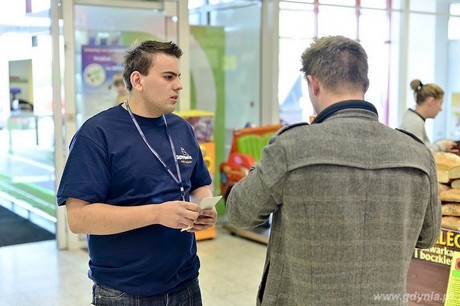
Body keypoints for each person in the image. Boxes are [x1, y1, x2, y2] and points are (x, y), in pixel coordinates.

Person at [225, 36, 441, 305]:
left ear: (313, 84)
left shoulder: (292, 147)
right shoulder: (418, 154)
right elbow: (428, 237)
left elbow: (239, 212)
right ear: (366, 84)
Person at [57, 40, 217, 305]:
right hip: (124, 291)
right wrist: (157, 214)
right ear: (138, 80)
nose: (178, 85)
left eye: (178, 76)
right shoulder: (97, 134)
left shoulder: (182, 129)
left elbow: (200, 184)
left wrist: (203, 207)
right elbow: (79, 218)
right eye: (168, 77)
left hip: (186, 282)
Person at [399, 79, 456, 153]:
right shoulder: (414, 122)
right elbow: (418, 153)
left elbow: (422, 146)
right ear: (431, 101)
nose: (440, 109)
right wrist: (441, 146)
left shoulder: (413, 118)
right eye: (440, 103)